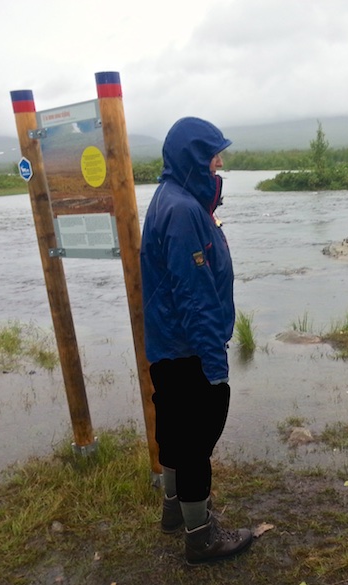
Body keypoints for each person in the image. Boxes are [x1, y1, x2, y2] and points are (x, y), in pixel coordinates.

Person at [140, 117, 252, 565]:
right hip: (187, 349)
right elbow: (195, 297)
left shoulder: (170, 197)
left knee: (172, 432)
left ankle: (173, 514)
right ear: (192, 158)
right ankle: (201, 538)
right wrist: (215, 367)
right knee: (195, 446)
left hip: (167, 345)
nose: (219, 160)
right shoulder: (185, 211)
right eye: (212, 154)